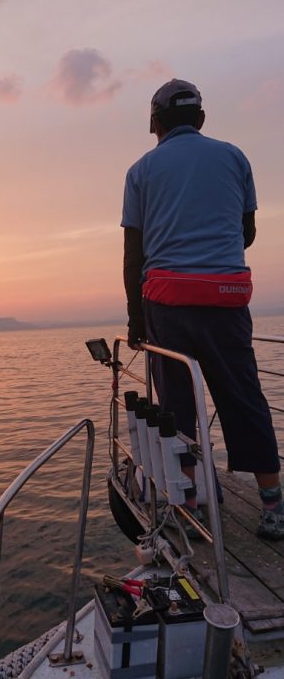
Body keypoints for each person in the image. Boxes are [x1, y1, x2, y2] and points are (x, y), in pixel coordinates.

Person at [122, 78, 283, 540]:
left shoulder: (141, 171)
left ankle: (190, 505)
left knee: (176, 407)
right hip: (227, 300)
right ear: (202, 120)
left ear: (154, 124)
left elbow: (135, 255)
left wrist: (136, 320)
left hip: (168, 303)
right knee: (243, 397)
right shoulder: (234, 157)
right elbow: (245, 232)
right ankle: (273, 504)